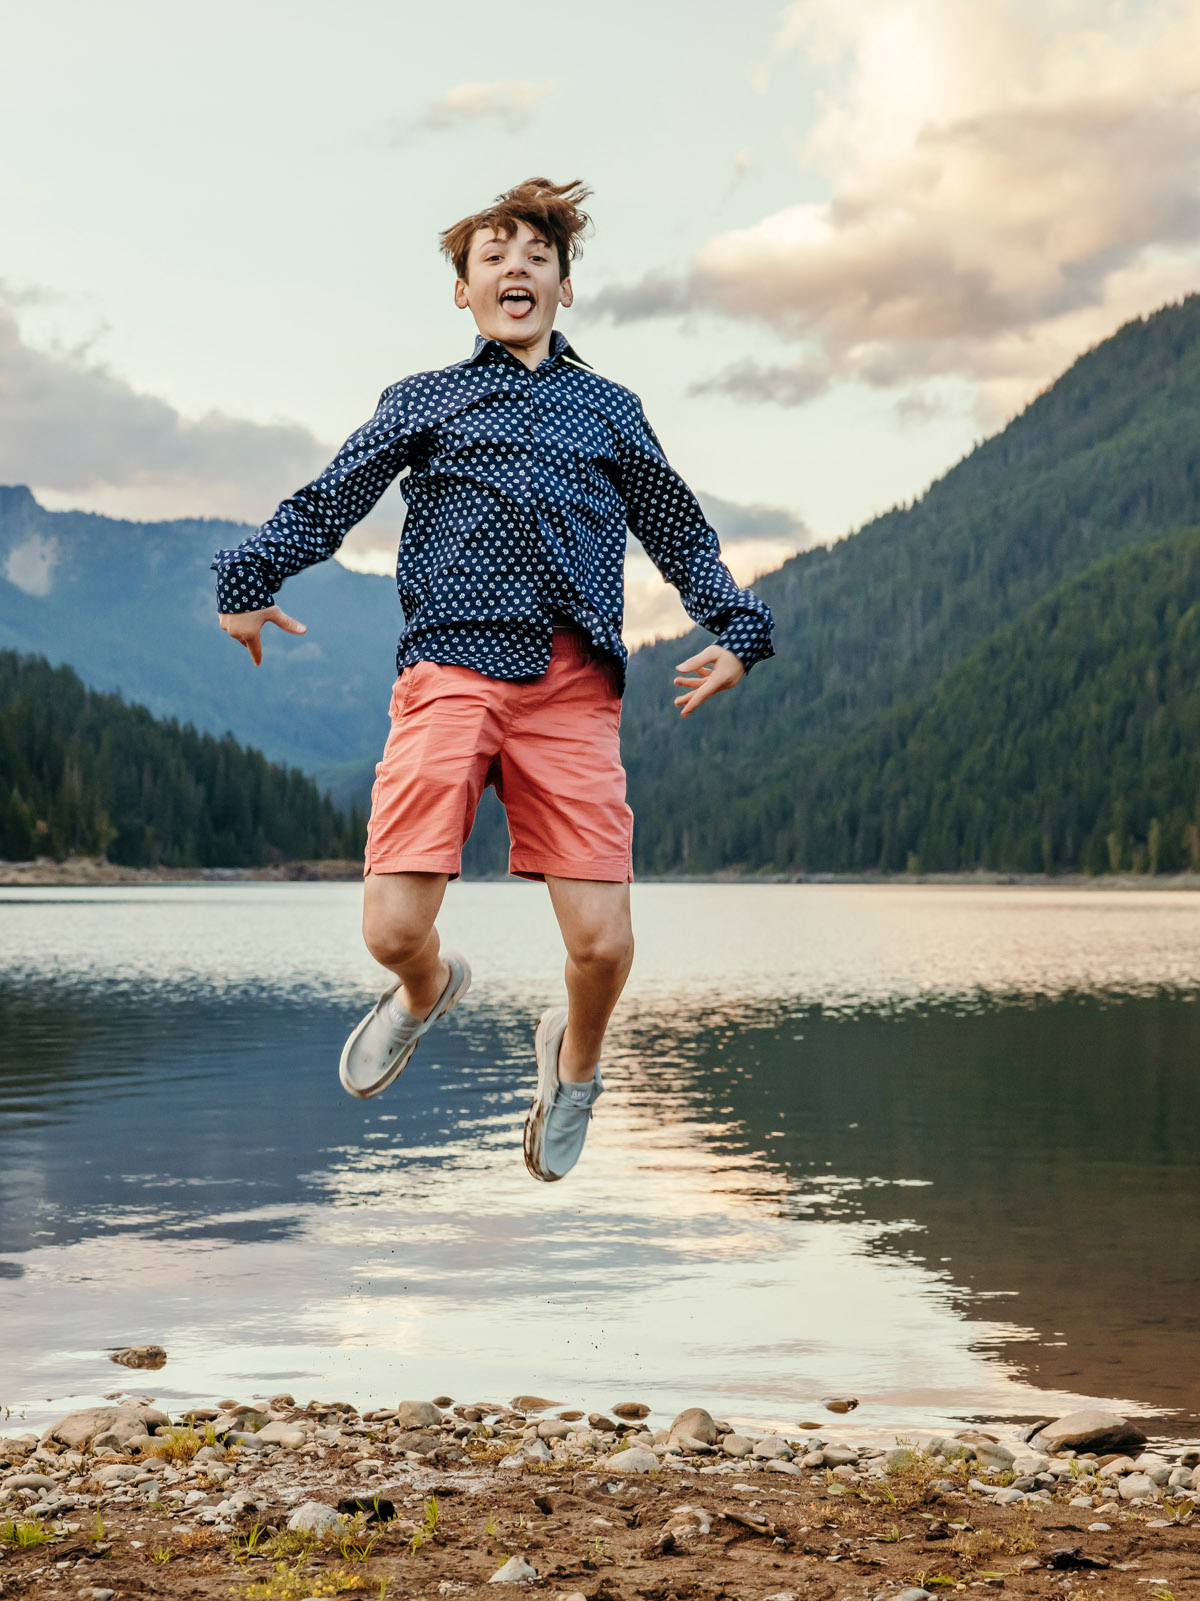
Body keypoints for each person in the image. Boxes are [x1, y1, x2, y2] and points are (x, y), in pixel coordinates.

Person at [212, 177, 775, 1182]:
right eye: (493, 256)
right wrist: (249, 577)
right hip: (450, 667)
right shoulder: (425, 399)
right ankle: (427, 990)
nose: (516, 267)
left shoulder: (610, 411)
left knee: (601, 943)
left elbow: (680, 530)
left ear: (564, 286)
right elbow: (335, 492)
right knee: (390, 928)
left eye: (537, 256)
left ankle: (576, 1064)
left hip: (570, 686)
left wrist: (737, 627)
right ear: (464, 293)